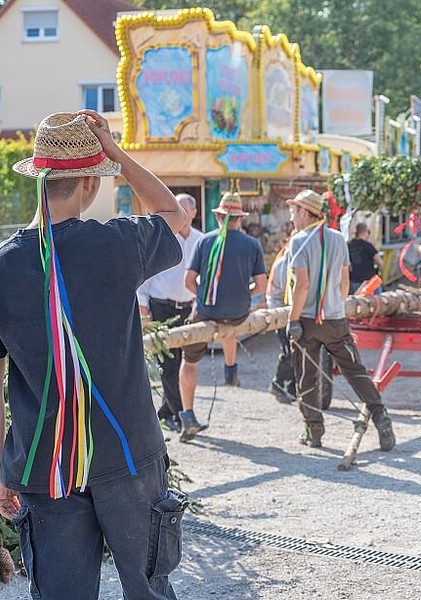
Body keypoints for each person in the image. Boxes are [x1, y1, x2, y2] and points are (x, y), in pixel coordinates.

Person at [0, 110, 187, 599]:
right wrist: (119, 155)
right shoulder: (118, 244)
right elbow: (175, 215)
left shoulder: (1, 268)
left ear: (39, 178)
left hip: (46, 467)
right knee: (149, 590)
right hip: (128, 455)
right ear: (88, 182)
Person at [284, 190, 395, 450]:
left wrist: (293, 319)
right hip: (335, 320)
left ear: (303, 211)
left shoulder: (298, 241)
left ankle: (314, 432)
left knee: (307, 378)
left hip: (308, 321)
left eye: (293, 211)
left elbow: (302, 285)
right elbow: (345, 281)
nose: (291, 216)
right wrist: (337, 307)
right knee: (355, 371)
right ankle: (380, 415)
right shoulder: (338, 238)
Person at [178, 192, 267, 442]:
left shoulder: (204, 241)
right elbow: (261, 287)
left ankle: (188, 415)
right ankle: (230, 370)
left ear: (218, 216)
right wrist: (242, 295)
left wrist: (206, 294)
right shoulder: (253, 245)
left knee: (189, 362)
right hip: (238, 314)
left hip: (206, 311)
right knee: (229, 325)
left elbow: (188, 282)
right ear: (239, 218)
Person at [137, 193, 202, 433]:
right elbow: (145, 277)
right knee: (169, 363)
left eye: (185, 210)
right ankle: (178, 413)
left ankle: (169, 411)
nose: (182, 215)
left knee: (185, 360)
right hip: (162, 306)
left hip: (188, 307)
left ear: (193, 213)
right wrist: (144, 308)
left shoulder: (201, 240)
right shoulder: (161, 241)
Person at [267, 236, 295, 403]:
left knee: (297, 352)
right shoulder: (281, 265)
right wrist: (280, 316)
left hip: (298, 315)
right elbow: (273, 294)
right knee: (288, 351)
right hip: (284, 315)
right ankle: (277, 384)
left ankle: (293, 386)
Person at [348, 222, 383, 294]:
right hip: (370, 281)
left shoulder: (349, 246)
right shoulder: (368, 246)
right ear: (365, 232)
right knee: (377, 302)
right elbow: (379, 262)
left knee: (358, 303)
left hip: (355, 280)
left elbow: (348, 266)